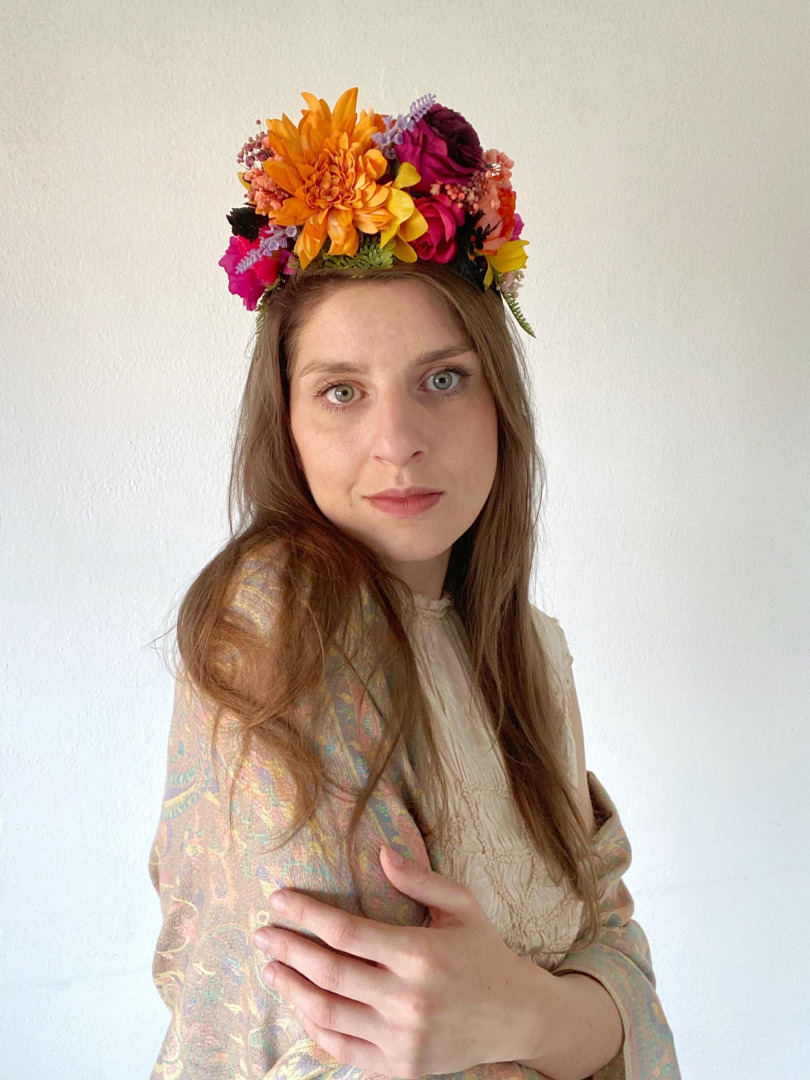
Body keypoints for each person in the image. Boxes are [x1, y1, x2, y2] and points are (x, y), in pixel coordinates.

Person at [148, 88, 681, 1080]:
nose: (396, 442)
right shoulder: (277, 626)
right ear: (287, 425)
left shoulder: (531, 651)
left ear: (499, 404)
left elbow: (618, 947)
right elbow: (356, 1040)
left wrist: (528, 1014)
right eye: (342, 391)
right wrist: (561, 1015)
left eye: (442, 378)